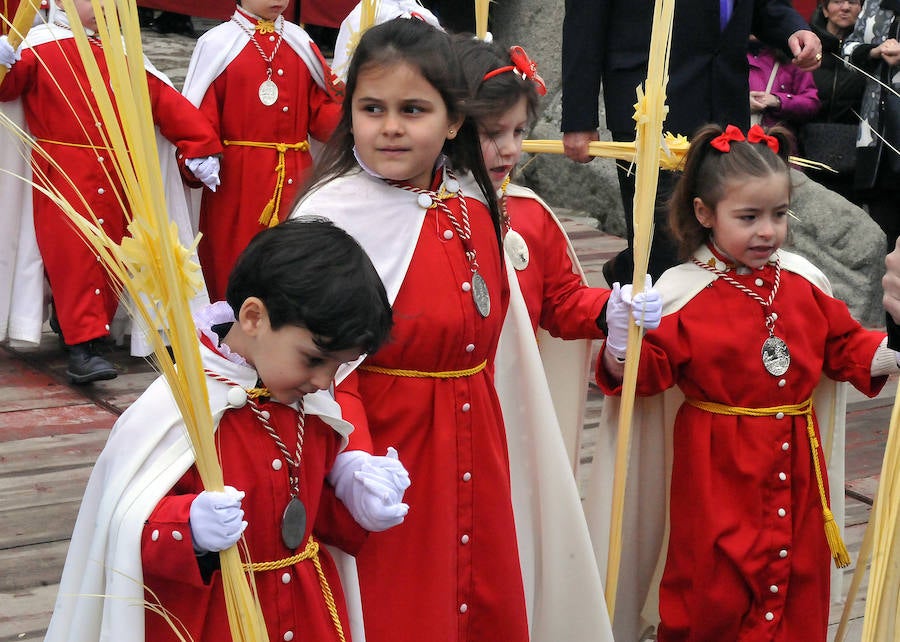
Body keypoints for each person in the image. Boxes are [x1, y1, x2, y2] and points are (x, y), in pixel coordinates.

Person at [289, 17, 639, 642]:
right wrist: (354, 459)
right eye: (373, 108)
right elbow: (320, 363)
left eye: (413, 109)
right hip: (390, 453)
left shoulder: (474, 205)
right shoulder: (332, 217)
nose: (391, 126)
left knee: (478, 601)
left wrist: (608, 316)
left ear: (451, 121)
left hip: (475, 441)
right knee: (404, 609)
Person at [592, 123, 897, 641]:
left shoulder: (802, 282)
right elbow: (650, 377)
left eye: (779, 215)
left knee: (796, 571)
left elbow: (842, 345)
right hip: (717, 472)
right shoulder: (683, 293)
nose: (767, 232)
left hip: (796, 464)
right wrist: (623, 347)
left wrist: (888, 356)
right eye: (748, 217)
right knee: (716, 583)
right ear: (705, 214)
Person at [44, 218, 411, 641]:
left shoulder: (308, 405)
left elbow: (306, 509)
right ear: (253, 317)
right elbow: (124, 528)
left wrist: (355, 496)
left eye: (338, 366)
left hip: (305, 612)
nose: (324, 382)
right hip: (211, 620)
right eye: (313, 359)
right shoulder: (183, 402)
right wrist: (190, 528)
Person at [452, 35, 661, 464]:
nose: (511, 149)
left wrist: (611, 310)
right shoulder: (420, 210)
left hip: (513, 407)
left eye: (519, 131)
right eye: (493, 134)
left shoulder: (529, 214)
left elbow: (559, 300)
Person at [0, 0, 222, 383]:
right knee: (73, 253)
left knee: (112, 255)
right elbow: (7, 89)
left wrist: (200, 145)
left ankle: (85, 329)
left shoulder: (125, 54)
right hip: (62, 172)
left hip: (119, 173)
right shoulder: (40, 46)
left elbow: (165, 103)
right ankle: (84, 346)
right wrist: (3, 63)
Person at [561, 0, 822, 286]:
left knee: (724, 232)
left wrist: (793, 29)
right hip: (652, 102)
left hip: (726, 102)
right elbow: (584, 21)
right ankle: (652, 311)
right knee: (665, 239)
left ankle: (638, 278)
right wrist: (579, 118)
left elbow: (765, 5)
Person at [181, 0, 343, 301]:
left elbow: (322, 111)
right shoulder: (216, 43)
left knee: (293, 253)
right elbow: (199, 112)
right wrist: (200, 151)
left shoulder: (301, 42)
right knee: (234, 252)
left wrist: (354, 120)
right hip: (238, 178)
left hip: (296, 173)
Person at [844, 0, 900, 251]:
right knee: (881, 228)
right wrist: (874, 51)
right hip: (876, 132)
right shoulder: (874, 3)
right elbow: (847, 49)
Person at [804, 0, 866, 201]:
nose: (845, 7)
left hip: (853, 154)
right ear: (824, 9)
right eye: (838, 1)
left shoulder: (868, 54)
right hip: (806, 147)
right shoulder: (807, 48)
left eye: (853, 2)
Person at [748, 36, 820, 144]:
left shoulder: (793, 58)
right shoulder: (723, 58)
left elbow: (811, 103)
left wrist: (778, 101)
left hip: (779, 147)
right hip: (734, 148)